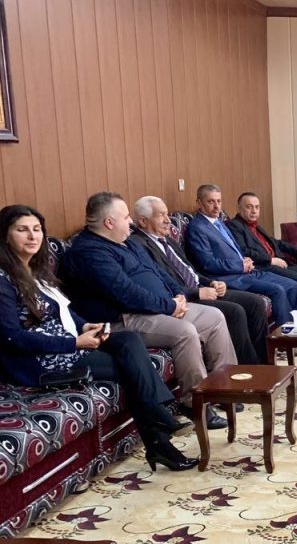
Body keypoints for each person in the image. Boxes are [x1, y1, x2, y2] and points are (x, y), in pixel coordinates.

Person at [0, 205, 197, 471]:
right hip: (42, 361)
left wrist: (84, 325)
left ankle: (159, 423)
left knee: (128, 340)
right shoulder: (4, 280)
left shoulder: (35, 272)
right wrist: (74, 342)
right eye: (22, 230)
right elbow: (11, 338)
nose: (32, 236)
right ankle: (160, 436)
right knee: (130, 369)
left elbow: (63, 311)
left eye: (36, 229)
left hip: (68, 345)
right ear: (5, 236)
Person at [62, 192, 234, 430]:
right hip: (123, 318)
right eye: (126, 217)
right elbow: (126, 293)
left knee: (214, 317)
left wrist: (179, 296)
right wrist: (169, 306)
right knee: (185, 331)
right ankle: (195, 402)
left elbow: (158, 272)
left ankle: (224, 390)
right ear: (109, 222)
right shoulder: (89, 252)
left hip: (158, 308)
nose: (131, 221)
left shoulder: (129, 241)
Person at [131, 196, 269, 365]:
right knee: (235, 311)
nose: (168, 220)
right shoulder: (139, 245)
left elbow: (191, 271)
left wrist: (210, 282)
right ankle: (247, 368)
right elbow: (162, 282)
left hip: (202, 288)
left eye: (167, 214)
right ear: (143, 221)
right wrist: (197, 292)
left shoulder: (168, 241)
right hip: (185, 297)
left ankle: (263, 363)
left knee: (254, 302)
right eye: (161, 215)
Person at [183, 184, 297, 327]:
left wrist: (244, 259)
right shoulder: (197, 228)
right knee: (277, 290)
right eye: (211, 202)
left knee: (292, 284)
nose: (217, 206)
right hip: (229, 277)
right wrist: (240, 265)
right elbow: (207, 263)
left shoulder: (219, 223)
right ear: (199, 203)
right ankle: (285, 336)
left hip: (247, 272)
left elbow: (235, 249)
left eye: (219, 201)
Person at [229, 192, 297, 315]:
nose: (254, 211)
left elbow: (276, 242)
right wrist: (270, 260)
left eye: (257, 207)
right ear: (239, 208)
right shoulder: (235, 226)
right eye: (249, 207)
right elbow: (243, 250)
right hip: (263, 266)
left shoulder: (256, 227)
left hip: (278, 263)